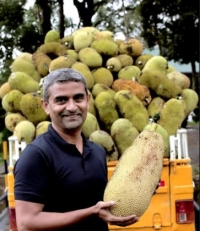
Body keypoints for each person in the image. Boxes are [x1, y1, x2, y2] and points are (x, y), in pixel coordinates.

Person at [14, 68, 139, 231]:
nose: (72, 107)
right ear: (46, 106)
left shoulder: (97, 151)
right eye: (61, 100)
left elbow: (100, 203)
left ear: (88, 100)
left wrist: (137, 186)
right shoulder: (36, 155)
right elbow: (26, 222)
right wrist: (92, 212)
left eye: (78, 98)